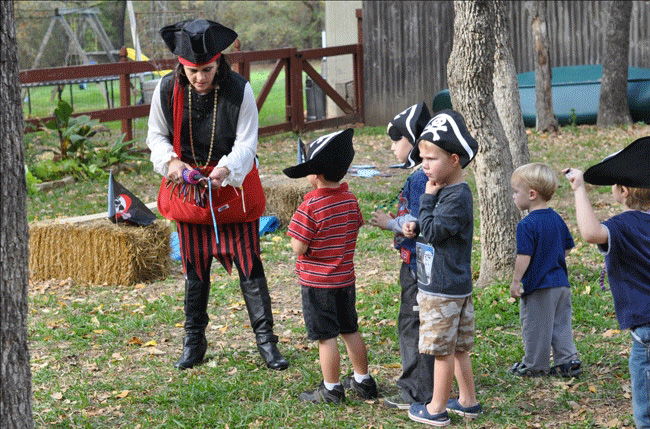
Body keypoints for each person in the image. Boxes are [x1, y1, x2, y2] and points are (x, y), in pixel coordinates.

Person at [146, 19, 288, 371]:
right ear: (182, 65)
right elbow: (156, 137)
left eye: (206, 69)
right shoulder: (166, 90)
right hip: (189, 190)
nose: (200, 78)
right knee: (195, 271)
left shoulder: (239, 89)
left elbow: (247, 141)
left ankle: (266, 341)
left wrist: (225, 169)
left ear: (219, 62)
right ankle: (194, 341)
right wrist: (173, 163)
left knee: (250, 267)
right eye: (193, 71)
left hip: (232, 189)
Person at [284, 128, 377, 404]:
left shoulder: (309, 207)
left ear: (316, 173)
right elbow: (353, 227)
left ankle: (332, 388)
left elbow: (299, 246)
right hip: (345, 280)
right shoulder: (350, 200)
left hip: (317, 284)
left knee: (326, 338)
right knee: (350, 330)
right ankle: (364, 381)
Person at [564, 136, 650, 429]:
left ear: (623, 191)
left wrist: (579, 190)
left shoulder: (624, 225)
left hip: (646, 330)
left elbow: (590, 232)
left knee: (647, 411)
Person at [403, 110, 482, 426]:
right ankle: (468, 400)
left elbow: (435, 231)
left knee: (441, 351)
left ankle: (436, 408)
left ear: (454, 159)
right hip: (454, 285)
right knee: (459, 347)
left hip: (442, 288)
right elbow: (431, 228)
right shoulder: (452, 192)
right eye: (422, 157)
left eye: (431, 158)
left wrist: (426, 199)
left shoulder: (453, 195)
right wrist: (417, 226)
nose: (425, 164)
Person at [370, 102, 435, 409]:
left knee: (413, 326)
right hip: (420, 266)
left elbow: (416, 225)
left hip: (418, 269)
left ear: (413, 139)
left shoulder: (421, 177)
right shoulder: (421, 176)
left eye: (396, 140)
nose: (393, 147)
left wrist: (388, 223)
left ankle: (416, 392)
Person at [509, 163, 581, 377]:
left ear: (532, 194)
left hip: (539, 286)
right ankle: (567, 362)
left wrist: (516, 281)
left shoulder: (527, 224)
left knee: (536, 327)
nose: (514, 196)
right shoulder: (556, 218)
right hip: (561, 284)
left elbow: (524, 256)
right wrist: (552, 259)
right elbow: (567, 246)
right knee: (561, 324)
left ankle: (534, 365)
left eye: (516, 192)